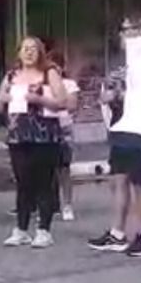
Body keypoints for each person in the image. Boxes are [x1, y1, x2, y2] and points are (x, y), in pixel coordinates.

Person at [88, 14, 141, 257]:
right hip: (120, 126)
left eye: (129, 29)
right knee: (118, 180)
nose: (123, 34)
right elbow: (109, 90)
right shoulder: (120, 62)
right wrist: (107, 97)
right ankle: (117, 233)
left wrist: (119, 95)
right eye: (123, 29)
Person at [0, 36, 68, 248]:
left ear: (40, 52)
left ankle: (44, 230)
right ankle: (21, 229)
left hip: (44, 135)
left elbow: (62, 101)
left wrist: (40, 100)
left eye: (33, 49)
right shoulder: (12, 75)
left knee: (44, 182)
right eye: (25, 48)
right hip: (18, 135)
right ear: (19, 52)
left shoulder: (49, 72)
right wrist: (3, 100)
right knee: (23, 182)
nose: (29, 52)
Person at [51, 53, 80, 221]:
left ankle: (67, 204)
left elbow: (72, 105)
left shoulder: (69, 84)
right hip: (47, 128)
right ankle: (51, 204)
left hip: (64, 127)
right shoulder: (44, 84)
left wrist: (52, 104)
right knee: (47, 169)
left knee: (64, 169)